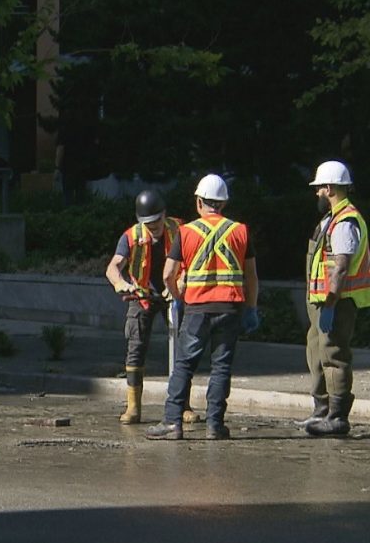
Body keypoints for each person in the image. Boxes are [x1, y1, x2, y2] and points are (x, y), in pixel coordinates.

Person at [145, 174, 259, 441]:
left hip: (197, 309)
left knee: (184, 365)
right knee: (221, 367)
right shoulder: (240, 231)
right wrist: (251, 308)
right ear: (224, 203)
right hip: (230, 308)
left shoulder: (186, 232)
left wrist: (177, 297)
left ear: (199, 201)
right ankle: (215, 425)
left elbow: (167, 274)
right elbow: (251, 275)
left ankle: (173, 423)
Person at [105, 190, 199, 425]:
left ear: (164, 214)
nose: (152, 227)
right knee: (135, 347)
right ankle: (133, 407)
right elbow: (113, 266)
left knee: (182, 349)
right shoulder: (131, 236)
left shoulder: (180, 229)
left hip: (174, 294)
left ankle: (183, 405)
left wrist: (180, 283)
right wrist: (120, 283)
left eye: (156, 221)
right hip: (142, 294)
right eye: (147, 223)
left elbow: (192, 260)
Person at [299, 161, 369, 436]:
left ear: (328, 188)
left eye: (318, 189)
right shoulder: (331, 219)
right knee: (316, 353)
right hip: (323, 300)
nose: (316, 193)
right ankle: (321, 411)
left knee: (334, 356)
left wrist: (329, 303)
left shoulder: (345, 221)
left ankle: (338, 417)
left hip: (337, 302)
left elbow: (340, 266)